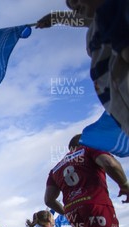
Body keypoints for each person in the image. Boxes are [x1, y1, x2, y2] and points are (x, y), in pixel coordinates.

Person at [37, 0, 129, 135]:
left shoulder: (116, 8)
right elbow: (82, 18)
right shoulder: (97, 22)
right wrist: (55, 17)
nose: (71, 5)